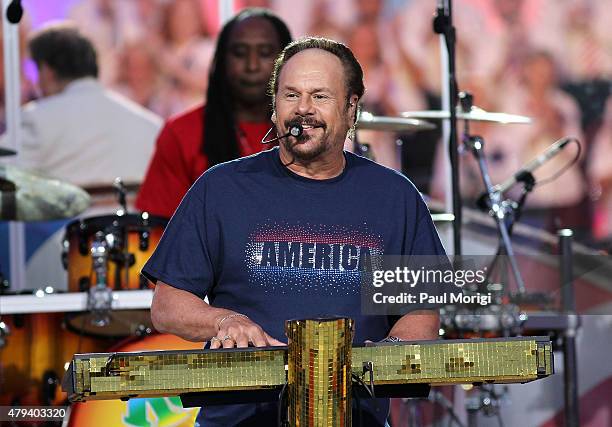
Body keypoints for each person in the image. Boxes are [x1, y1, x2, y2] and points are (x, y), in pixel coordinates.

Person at [144, 37, 445, 426]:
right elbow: (166, 306)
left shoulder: (396, 195)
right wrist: (223, 322)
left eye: (319, 96)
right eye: (291, 95)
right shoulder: (220, 188)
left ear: (351, 108)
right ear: (274, 108)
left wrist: (384, 356)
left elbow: (422, 313)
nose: (303, 109)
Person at [135, 8, 292, 219]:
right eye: (239, 53)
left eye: (264, 53)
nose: (252, 65)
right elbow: (157, 229)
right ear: (221, 62)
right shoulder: (182, 133)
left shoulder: (309, 131)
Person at [5, 22, 162, 189]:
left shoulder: (36, 120)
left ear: (46, 71)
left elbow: (5, 172)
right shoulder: (152, 127)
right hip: (138, 214)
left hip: (71, 214)